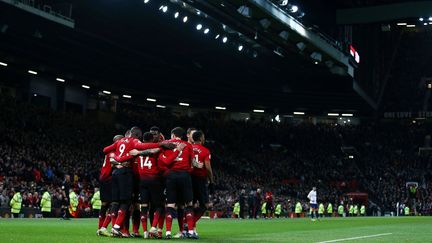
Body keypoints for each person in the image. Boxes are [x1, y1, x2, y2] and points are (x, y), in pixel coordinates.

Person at [103, 127, 169, 237]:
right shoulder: (135, 142)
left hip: (122, 175)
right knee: (130, 203)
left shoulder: (120, 142)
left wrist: (118, 158)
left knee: (119, 203)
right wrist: (161, 145)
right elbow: (143, 147)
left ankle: (122, 230)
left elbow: (106, 150)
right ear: (137, 135)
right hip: (132, 177)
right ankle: (122, 229)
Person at [158, 127, 196, 239]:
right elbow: (192, 164)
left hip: (172, 176)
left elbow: (165, 162)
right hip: (185, 175)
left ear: (173, 135)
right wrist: (187, 172)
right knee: (188, 204)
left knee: (170, 205)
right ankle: (190, 232)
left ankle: (168, 232)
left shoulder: (166, 144)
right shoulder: (188, 145)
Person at [98, 134, 124, 237]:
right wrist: (121, 165)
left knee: (104, 205)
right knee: (114, 204)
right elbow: (113, 162)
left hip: (103, 178)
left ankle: (100, 228)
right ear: (117, 142)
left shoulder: (108, 151)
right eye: (121, 141)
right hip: (108, 179)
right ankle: (108, 228)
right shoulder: (113, 151)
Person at [191, 130, 215, 236]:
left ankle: (187, 227)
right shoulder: (205, 151)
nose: (204, 139)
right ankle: (190, 224)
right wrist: (212, 181)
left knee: (189, 205)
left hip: (189, 179)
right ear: (200, 138)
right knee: (204, 205)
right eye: (203, 137)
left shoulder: (189, 147)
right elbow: (208, 168)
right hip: (200, 180)